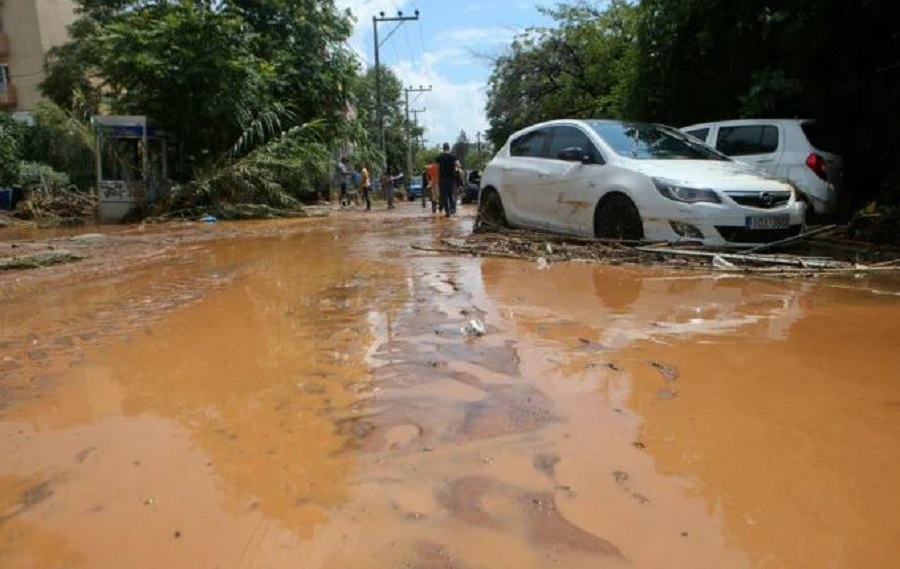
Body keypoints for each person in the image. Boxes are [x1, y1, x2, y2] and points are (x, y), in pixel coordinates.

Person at [435, 143, 458, 218]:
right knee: (451, 194)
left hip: (442, 179)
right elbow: (458, 165)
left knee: (444, 196)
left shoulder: (439, 158)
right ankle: (453, 209)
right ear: (449, 148)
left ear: (443, 148)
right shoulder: (453, 157)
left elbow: (436, 168)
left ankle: (447, 212)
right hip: (451, 178)